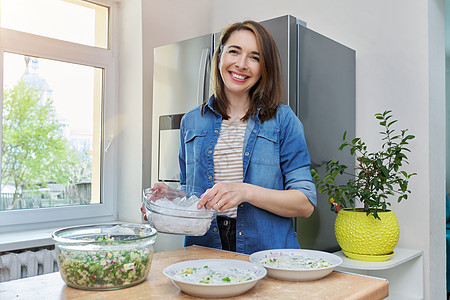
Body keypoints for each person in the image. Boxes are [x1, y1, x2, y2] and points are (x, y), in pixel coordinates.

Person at [142, 20, 316, 255]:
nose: (241, 64)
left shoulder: (283, 120)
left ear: (265, 68)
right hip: (204, 250)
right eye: (234, 51)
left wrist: (246, 192)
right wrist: (171, 198)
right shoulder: (192, 121)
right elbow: (193, 192)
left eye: (255, 57)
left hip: (269, 253)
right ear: (220, 56)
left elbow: (305, 203)